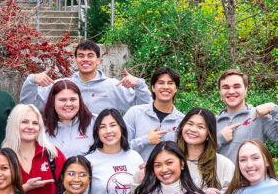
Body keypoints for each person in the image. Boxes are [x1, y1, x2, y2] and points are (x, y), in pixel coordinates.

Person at [19, 40, 151, 115]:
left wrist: (139, 85)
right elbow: (29, 106)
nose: (85, 59)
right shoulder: (61, 86)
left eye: (90, 55)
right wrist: (32, 81)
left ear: (99, 60)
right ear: (75, 60)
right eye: (81, 56)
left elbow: (144, 108)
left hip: (103, 149)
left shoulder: (113, 86)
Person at [215, 69, 278, 163]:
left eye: (237, 86)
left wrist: (275, 110)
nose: (231, 91)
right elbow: (200, 155)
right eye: (226, 87)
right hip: (219, 177)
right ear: (220, 91)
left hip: (249, 177)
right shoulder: (212, 121)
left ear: (246, 89)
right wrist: (219, 139)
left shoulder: (259, 117)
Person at [123, 67, 185, 160]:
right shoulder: (135, 113)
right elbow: (120, 148)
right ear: (153, 87)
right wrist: (145, 140)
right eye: (161, 83)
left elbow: (184, 153)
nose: (165, 87)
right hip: (136, 172)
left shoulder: (182, 121)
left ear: (176, 88)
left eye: (170, 83)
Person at [42, 80, 94, 158]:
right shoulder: (40, 126)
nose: (68, 104)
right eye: (63, 100)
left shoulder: (94, 122)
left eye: (73, 99)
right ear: (53, 101)